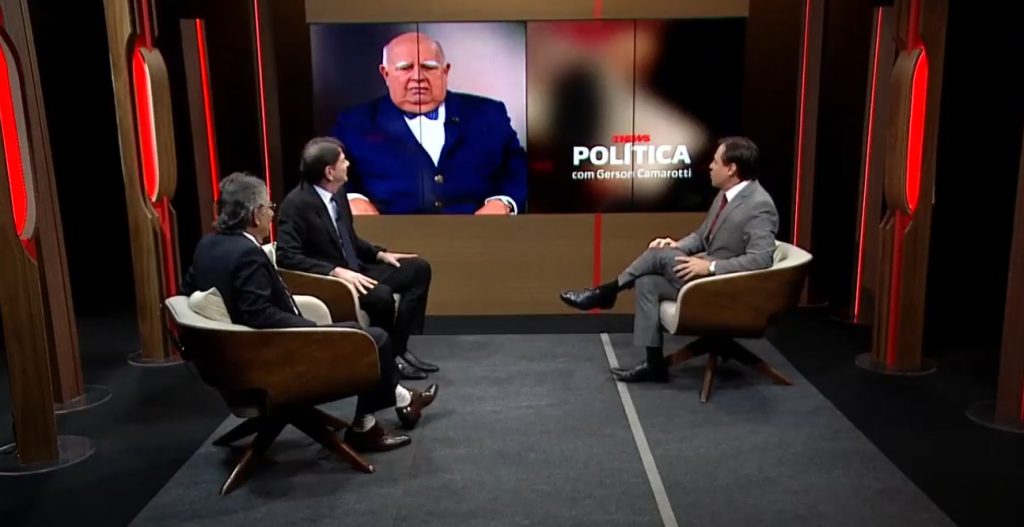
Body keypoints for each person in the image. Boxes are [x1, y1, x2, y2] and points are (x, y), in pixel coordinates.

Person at [181, 172, 437, 452]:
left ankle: (396, 403)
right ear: (255, 215)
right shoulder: (247, 254)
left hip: (231, 360)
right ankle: (369, 425)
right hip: (269, 360)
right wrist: (313, 330)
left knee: (360, 332)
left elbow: (188, 291)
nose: (272, 214)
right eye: (269, 207)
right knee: (375, 339)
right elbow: (261, 316)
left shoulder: (207, 245)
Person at [560, 137, 779, 382]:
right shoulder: (725, 195)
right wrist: (677, 245)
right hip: (701, 279)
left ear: (731, 169)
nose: (710, 166)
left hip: (722, 287)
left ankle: (606, 292)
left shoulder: (759, 205)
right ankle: (654, 364)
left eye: (715, 162)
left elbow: (761, 259)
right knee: (647, 282)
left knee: (658, 255)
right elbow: (701, 236)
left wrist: (710, 267)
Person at [276, 138, 439, 382]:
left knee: (418, 269)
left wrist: (379, 254)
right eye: (343, 160)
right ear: (329, 172)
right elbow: (286, 256)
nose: (348, 164)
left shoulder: (338, 194)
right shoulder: (296, 205)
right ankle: (386, 361)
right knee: (381, 296)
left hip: (356, 269)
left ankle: (398, 349)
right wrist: (334, 271)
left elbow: (348, 238)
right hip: (332, 281)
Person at [330, 31, 527, 215]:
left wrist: (504, 202)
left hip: (479, 233)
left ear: (445, 71)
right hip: (389, 235)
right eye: (405, 68)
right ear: (385, 74)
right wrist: (353, 199)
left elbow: (517, 168)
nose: (418, 77)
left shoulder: (488, 113)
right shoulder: (354, 122)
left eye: (429, 67)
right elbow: (329, 173)